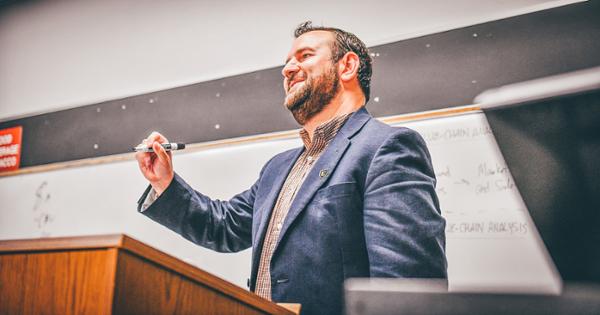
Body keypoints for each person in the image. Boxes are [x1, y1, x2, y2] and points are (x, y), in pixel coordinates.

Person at [136, 21, 447, 315]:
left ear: (348, 66)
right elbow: (224, 227)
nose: (287, 69)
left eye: (305, 56)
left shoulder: (387, 147)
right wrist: (165, 181)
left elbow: (405, 287)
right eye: (286, 62)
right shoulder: (278, 167)